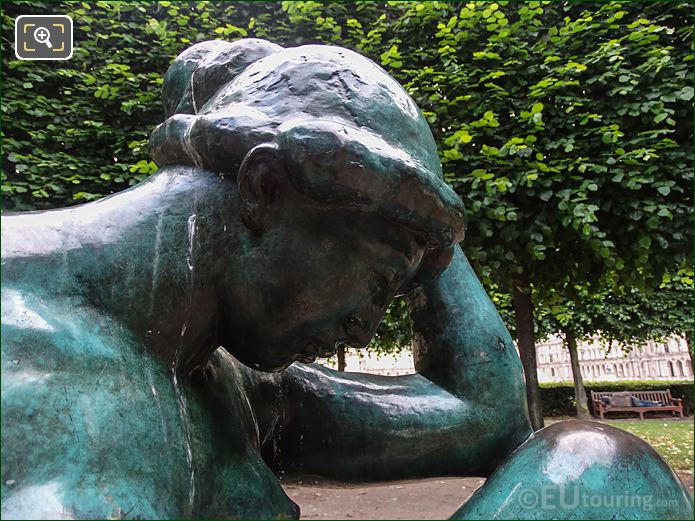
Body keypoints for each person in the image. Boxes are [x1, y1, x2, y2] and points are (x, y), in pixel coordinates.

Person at [2, 39, 692, 520]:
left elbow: (486, 417)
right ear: (265, 188)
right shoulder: (34, 360)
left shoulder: (214, 371)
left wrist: (424, 213)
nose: (368, 322)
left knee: (592, 462)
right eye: (380, 279)